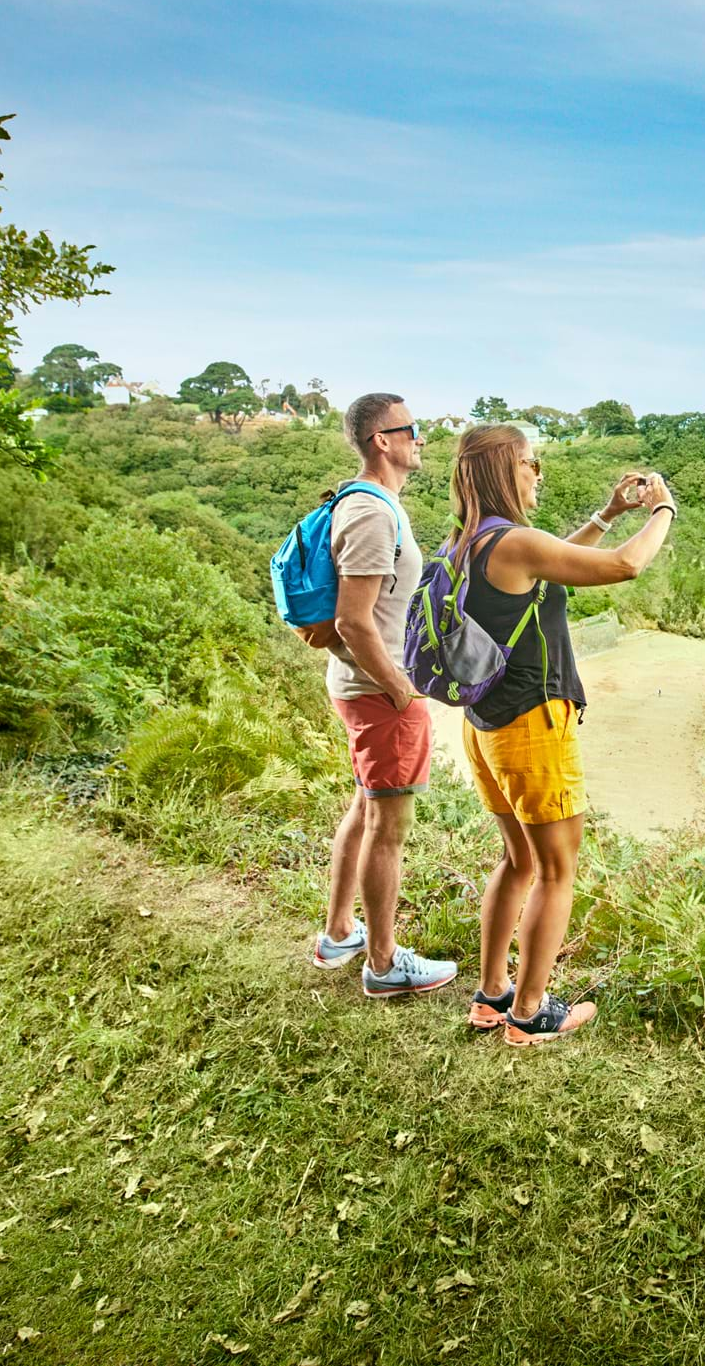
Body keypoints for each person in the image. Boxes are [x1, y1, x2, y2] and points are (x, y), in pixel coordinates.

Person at [444, 425, 679, 1046]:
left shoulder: (471, 541)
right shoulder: (514, 541)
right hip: (531, 724)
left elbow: (553, 568)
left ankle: (492, 996)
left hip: (486, 724)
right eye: (531, 463)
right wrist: (662, 508)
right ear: (504, 471)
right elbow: (626, 566)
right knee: (556, 869)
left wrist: (606, 513)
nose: (538, 473)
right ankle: (529, 1012)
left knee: (517, 860)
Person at [307, 392, 460, 999]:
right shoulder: (372, 512)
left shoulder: (372, 505)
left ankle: (339, 932)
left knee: (367, 807)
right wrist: (402, 690)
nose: (420, 438)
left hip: (360, 687)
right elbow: (353, 620)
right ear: (383, 440)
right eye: (411, 429)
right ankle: (383, 963)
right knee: (388, 826)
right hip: (379, 691)